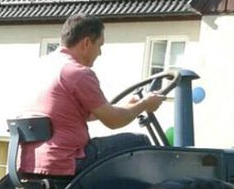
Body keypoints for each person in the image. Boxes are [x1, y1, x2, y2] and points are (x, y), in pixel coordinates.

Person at [18, 14, 165, 177]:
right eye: (100, 45)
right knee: (139, 142)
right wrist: (144, 105)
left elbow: (82, 113)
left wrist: (128, 107)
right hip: (67, 159)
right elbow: (113, 121)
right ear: (86, 43)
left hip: (29, 161)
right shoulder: (77, 73)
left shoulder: (41, 65)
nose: (100, 53)